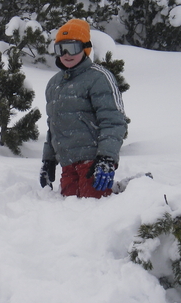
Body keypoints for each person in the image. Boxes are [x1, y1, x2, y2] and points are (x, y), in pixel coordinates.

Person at [40, 19, 127, 199]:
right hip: (68, 162)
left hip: (93, 160)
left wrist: (107, 159)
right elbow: (53, 126)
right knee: (70, 204)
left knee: (93, 203)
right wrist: (48, 160)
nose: (66, 54)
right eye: (60, 49)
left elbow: (113, 121)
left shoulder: (98, 77)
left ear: (85, 48)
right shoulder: (53, 84)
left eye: (72, 48)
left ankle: (132, 189)